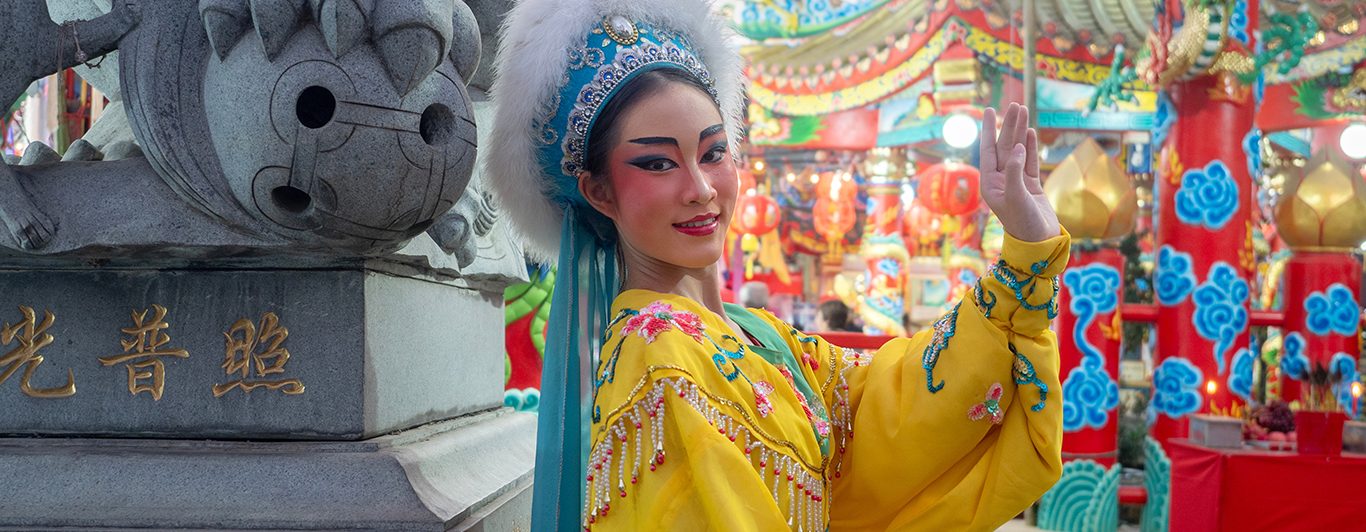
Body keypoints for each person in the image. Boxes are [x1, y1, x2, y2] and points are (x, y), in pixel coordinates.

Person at [486, 0, 1069, 529]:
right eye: (658, 164)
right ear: (599, 192)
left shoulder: (754, 334)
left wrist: (1024, 254)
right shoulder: (658, 354)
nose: (700, 189)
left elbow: (892, 409)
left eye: (713, 153)